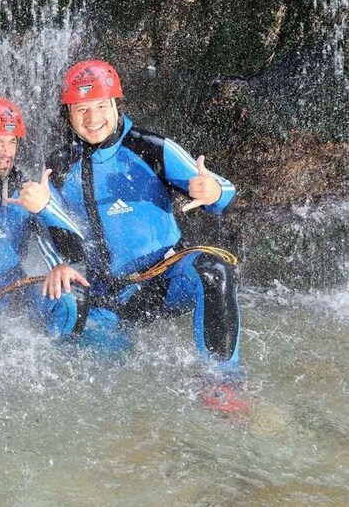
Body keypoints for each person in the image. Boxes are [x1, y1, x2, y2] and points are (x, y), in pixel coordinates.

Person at [19, 59, 241, 366]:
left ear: (115, 105)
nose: (92, 118)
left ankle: (223, 382)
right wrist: (44, 215)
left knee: (212, 269)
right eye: (81, 109)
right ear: (68, 115)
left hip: (168, 279)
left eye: (100, 106)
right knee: (101, 352)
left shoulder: (150, 148)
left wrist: (214, 191)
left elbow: (224, 195)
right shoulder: (59, 165)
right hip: (110, 294)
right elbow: (58, 232)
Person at [0, 96, 88, 335]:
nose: (6, 152)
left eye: (12, 142)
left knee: (72, 300)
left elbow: (76, 245)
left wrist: (60, 263)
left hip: (16, 291)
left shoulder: (30, 191)